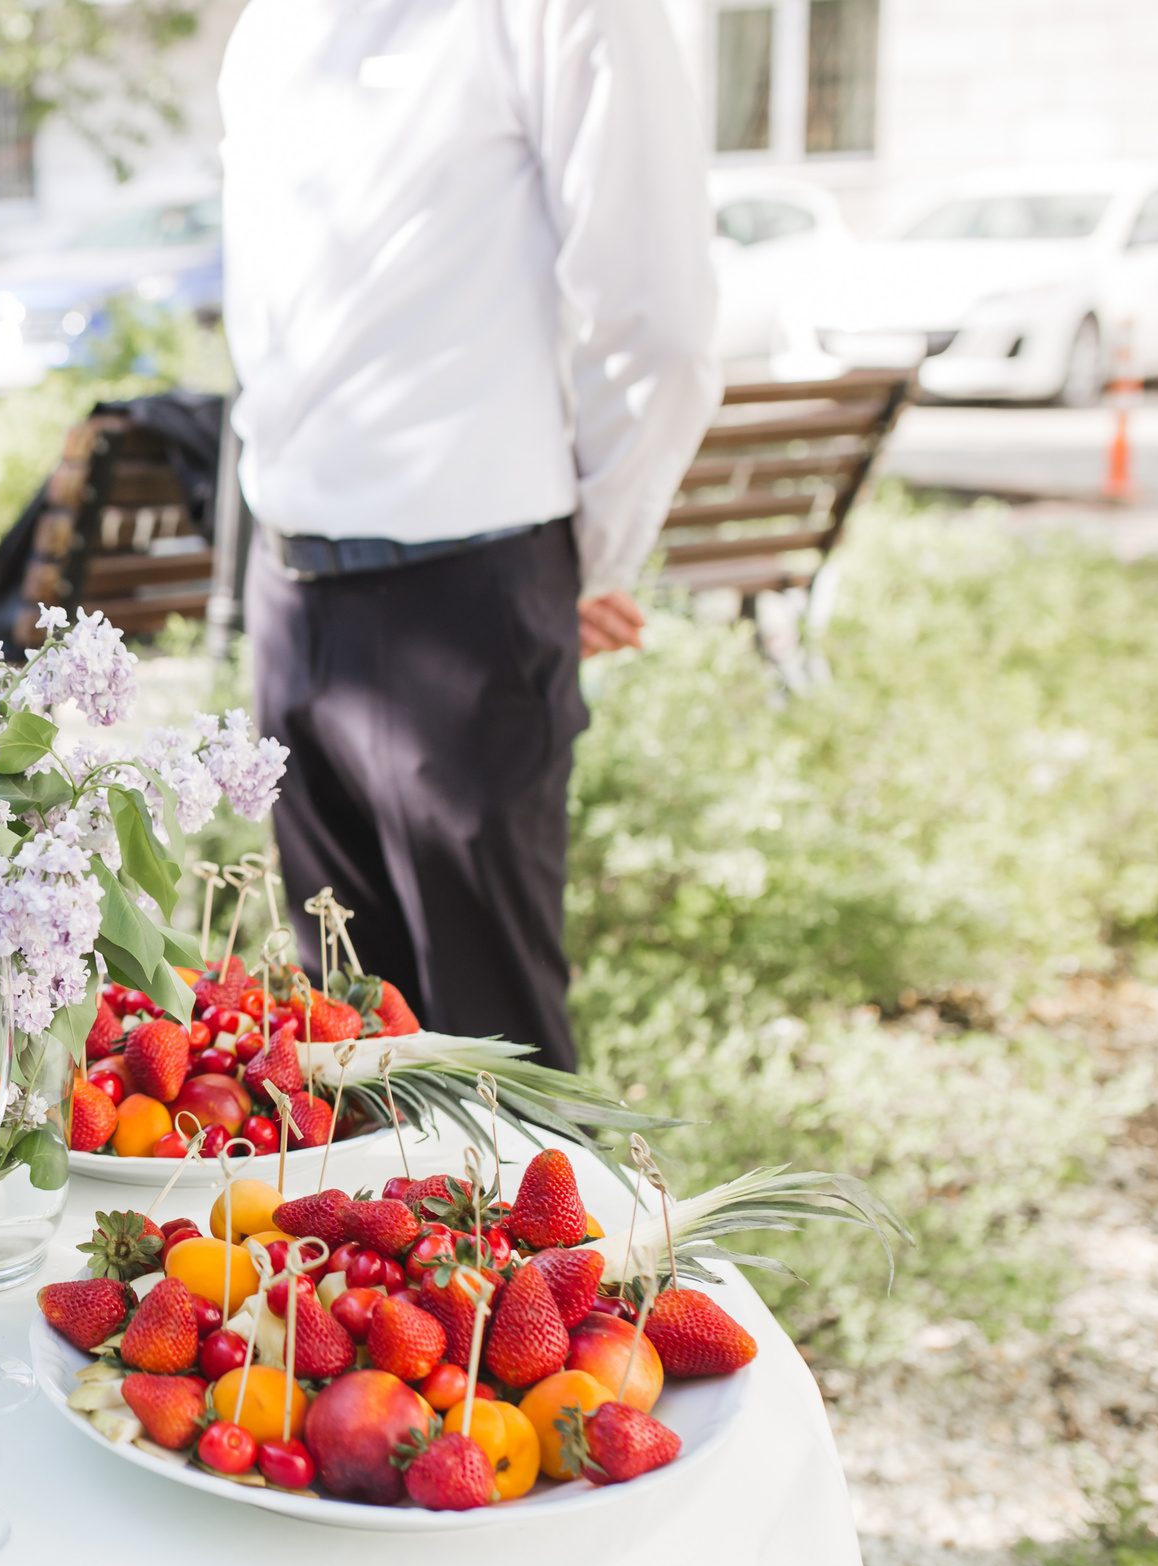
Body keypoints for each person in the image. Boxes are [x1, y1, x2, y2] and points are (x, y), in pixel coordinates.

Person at [219, 0, 720, 1071]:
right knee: (344, 1063)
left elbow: (660, 330)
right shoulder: (270, 24)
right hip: (290, 597)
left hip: (466, 596)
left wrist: (588, 561)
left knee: (502, 1070)